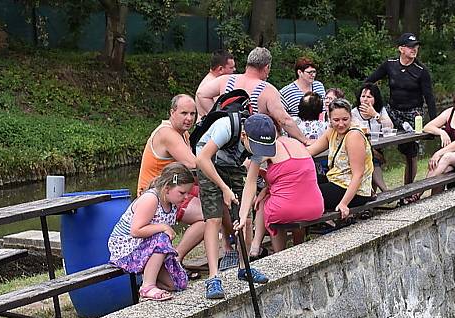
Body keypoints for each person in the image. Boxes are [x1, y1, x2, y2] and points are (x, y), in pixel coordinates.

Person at [195, 110, 271, 300]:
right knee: (214, 218)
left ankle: (244, 268)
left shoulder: (261, 143)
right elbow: (202, 158)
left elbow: (251, 182)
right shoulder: (226, 127)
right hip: (208, 163)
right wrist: (224, 188)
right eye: (254, 146)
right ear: (244, 135)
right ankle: (213, 277)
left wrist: (244, 214)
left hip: (233, 165)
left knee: (245, 219)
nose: (257, 151)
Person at [238, 114, 324, 254]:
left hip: (286, 209)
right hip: (316, 207)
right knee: (280, 198)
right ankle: (298, 247)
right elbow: (291, 176)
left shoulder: (265, 148)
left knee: (267, 203)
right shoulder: (296, 143)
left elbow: (250, 181)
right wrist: (267, 187)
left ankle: (275, 252)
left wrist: (242, 216)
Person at [135, 94, 205, 262]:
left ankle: (228, 246)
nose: (189, 118)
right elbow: (193, 164)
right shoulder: (167, 133)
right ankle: (175, 258)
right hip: (156, 194)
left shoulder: (184, 133)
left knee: (215, 197)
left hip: (175, 186)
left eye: (192, 114)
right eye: (184, 113)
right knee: (208, 216)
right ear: (172, 112)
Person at [109, 164, 192, 302]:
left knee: (179, 283)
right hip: (127, 248)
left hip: (147, 248)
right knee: (161, 237)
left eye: (187, 193)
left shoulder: (171, 203)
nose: (186, 197)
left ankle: (147, 282)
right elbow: (136, 230)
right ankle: (147, 286)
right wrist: (163, 227)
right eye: (182, 193)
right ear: (167, 188)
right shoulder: (151, 199)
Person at [365, 32, 437, 191]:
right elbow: (369, 82)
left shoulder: (421, 71)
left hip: (412, 113)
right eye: (411, 46)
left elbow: (429, 98)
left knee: (410, 153)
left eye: (416, 46)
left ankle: (408, 191)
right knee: (374, 144)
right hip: (391, 111)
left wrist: (434, 123)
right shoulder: (390, 65)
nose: (414, 49)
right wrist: (370, 99)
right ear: (401, 49)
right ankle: (372, 193)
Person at [196, 47, 309, 145]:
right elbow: (284, 120)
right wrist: (304, 140)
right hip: (250, 143)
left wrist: (218, 116)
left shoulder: (226, 80)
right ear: (266, 67)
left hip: (223, 139)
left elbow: (201, 94)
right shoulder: (267, 89)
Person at [307, 98, 373, 218]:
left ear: (351, 117)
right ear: (330, 119)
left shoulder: (354, 135)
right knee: (305, 181)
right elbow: (308, 152)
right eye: (336, 120)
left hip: (354, 191)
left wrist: (344, 203)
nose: (341, 124)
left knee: (308, 194)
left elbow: (358, 175)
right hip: (336, 180)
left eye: (345, 119)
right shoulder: (331, 132)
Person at [352, 83, 393, 193]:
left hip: (377, 147)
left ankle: (375, 194)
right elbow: (358, 130)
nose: (365, 100)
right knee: (372, 159)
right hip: (361, 149)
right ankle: (386, 191)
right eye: (363, 96)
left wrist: (375, 114)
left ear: (375, 99)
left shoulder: (380, 110)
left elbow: (390, 126)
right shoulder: (354, 112)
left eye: (369, 97)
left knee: (373, 158)